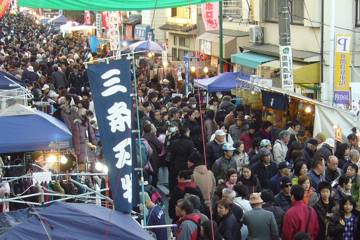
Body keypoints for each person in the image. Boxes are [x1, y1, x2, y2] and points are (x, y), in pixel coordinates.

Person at [168, 125, 195, 190]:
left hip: (176, 165)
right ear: (186, 132)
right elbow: (192, 156)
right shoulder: (190, 143)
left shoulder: (174, 142)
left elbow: (172, 156)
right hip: (186, 166)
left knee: (175, 182)